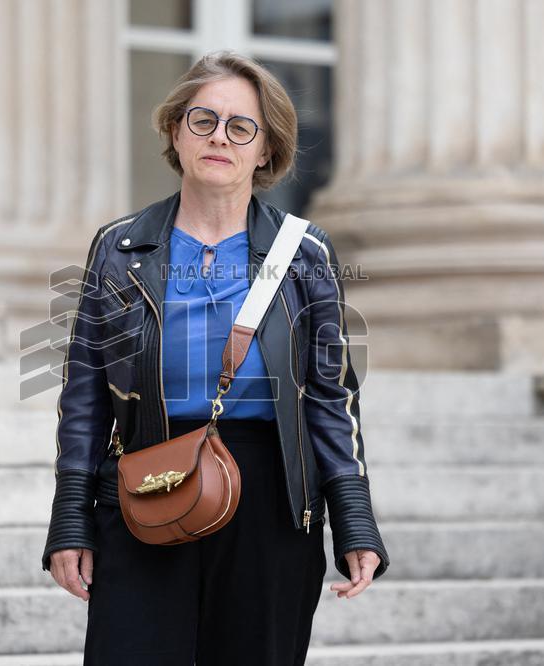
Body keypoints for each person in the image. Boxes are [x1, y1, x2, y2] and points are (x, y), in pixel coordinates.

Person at [41, 50, 389, 666]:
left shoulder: (304, 252)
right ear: (176, 131)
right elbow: (85, 392)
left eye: (241, 127)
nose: (219, 137)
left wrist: (353, 517)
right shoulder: (120, 246)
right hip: (147, 482)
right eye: (203, 120)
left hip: (271, 501)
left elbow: (332, 396)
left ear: (266, 149)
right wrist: (71, 516)